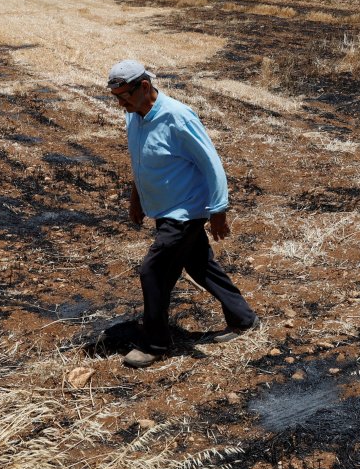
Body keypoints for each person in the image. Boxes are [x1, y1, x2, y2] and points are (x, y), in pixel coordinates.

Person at [107, 59, 259, 368]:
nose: (120, 104)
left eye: (124, 96)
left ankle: (155, 343)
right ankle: (243, 319)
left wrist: (218, 210)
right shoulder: (134, 117)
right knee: (199, 264)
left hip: (185, 212)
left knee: (153, 271)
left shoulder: (178, 117)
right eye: (116, 98)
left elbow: (211, 163)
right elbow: (141, 162)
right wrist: (136, 199)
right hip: (163, 209)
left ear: (145, 87)